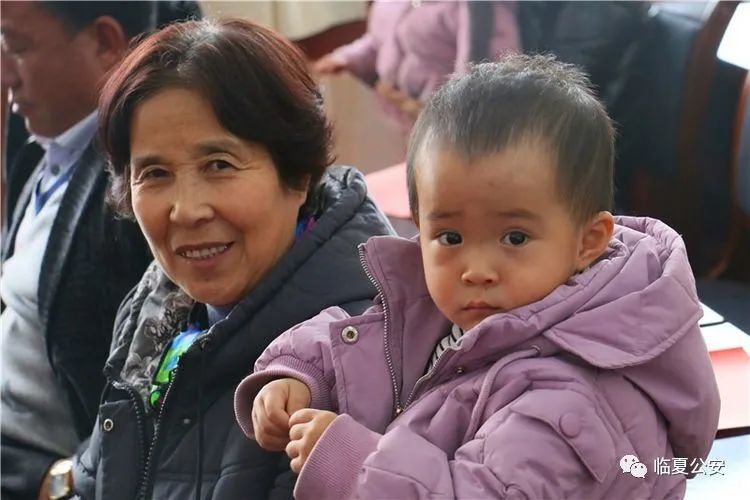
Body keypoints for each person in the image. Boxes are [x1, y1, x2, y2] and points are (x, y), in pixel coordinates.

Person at [235, 54, 721, 499]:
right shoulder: (467, 308)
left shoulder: (569, 398)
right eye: (449, 237)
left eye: (514, 238)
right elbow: (367, 341)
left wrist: (353, 463)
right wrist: (300, 376)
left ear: (587, 241)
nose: (477, 270)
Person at [70, 17, 394, 499]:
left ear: (299, 175)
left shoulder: (362, 350)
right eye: (154, 173)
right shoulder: (153, 311)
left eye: (218, 165)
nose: (187, 210)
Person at [0, 3, 156, 499]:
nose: (5, 73)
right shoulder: (41, 150)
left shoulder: (134, 188)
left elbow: (156, 381)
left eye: (17, 48)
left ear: (106, 43)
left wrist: (61, 479)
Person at [314, 0, 520, 130]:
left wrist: (445, 114)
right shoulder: (390, 5)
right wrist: (347, 57)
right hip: (394, 117)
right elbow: (377, 41)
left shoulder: (476, 9)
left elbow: (487, 69)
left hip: (442, 123)